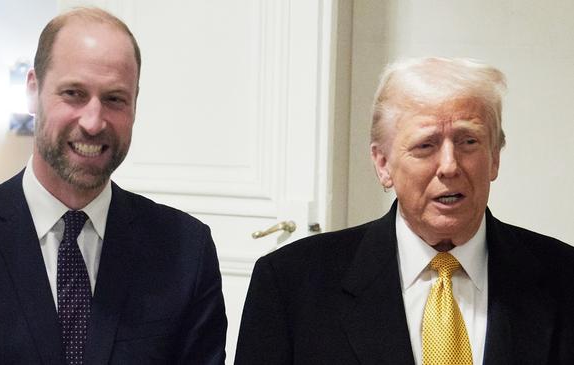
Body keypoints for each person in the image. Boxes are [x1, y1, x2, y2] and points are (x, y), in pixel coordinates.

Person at [0, 7, 226, 364]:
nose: (94, 121)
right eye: (73, 93)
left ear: (135, 105)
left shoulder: (185, 250)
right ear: (32, 91)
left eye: (114, 98)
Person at [234, 57, 574, 365]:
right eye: (425, 145)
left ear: (495, 157)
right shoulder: (291, 282)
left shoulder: (564, 277)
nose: (449, 166)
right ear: (383, 164)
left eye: (468, 142)